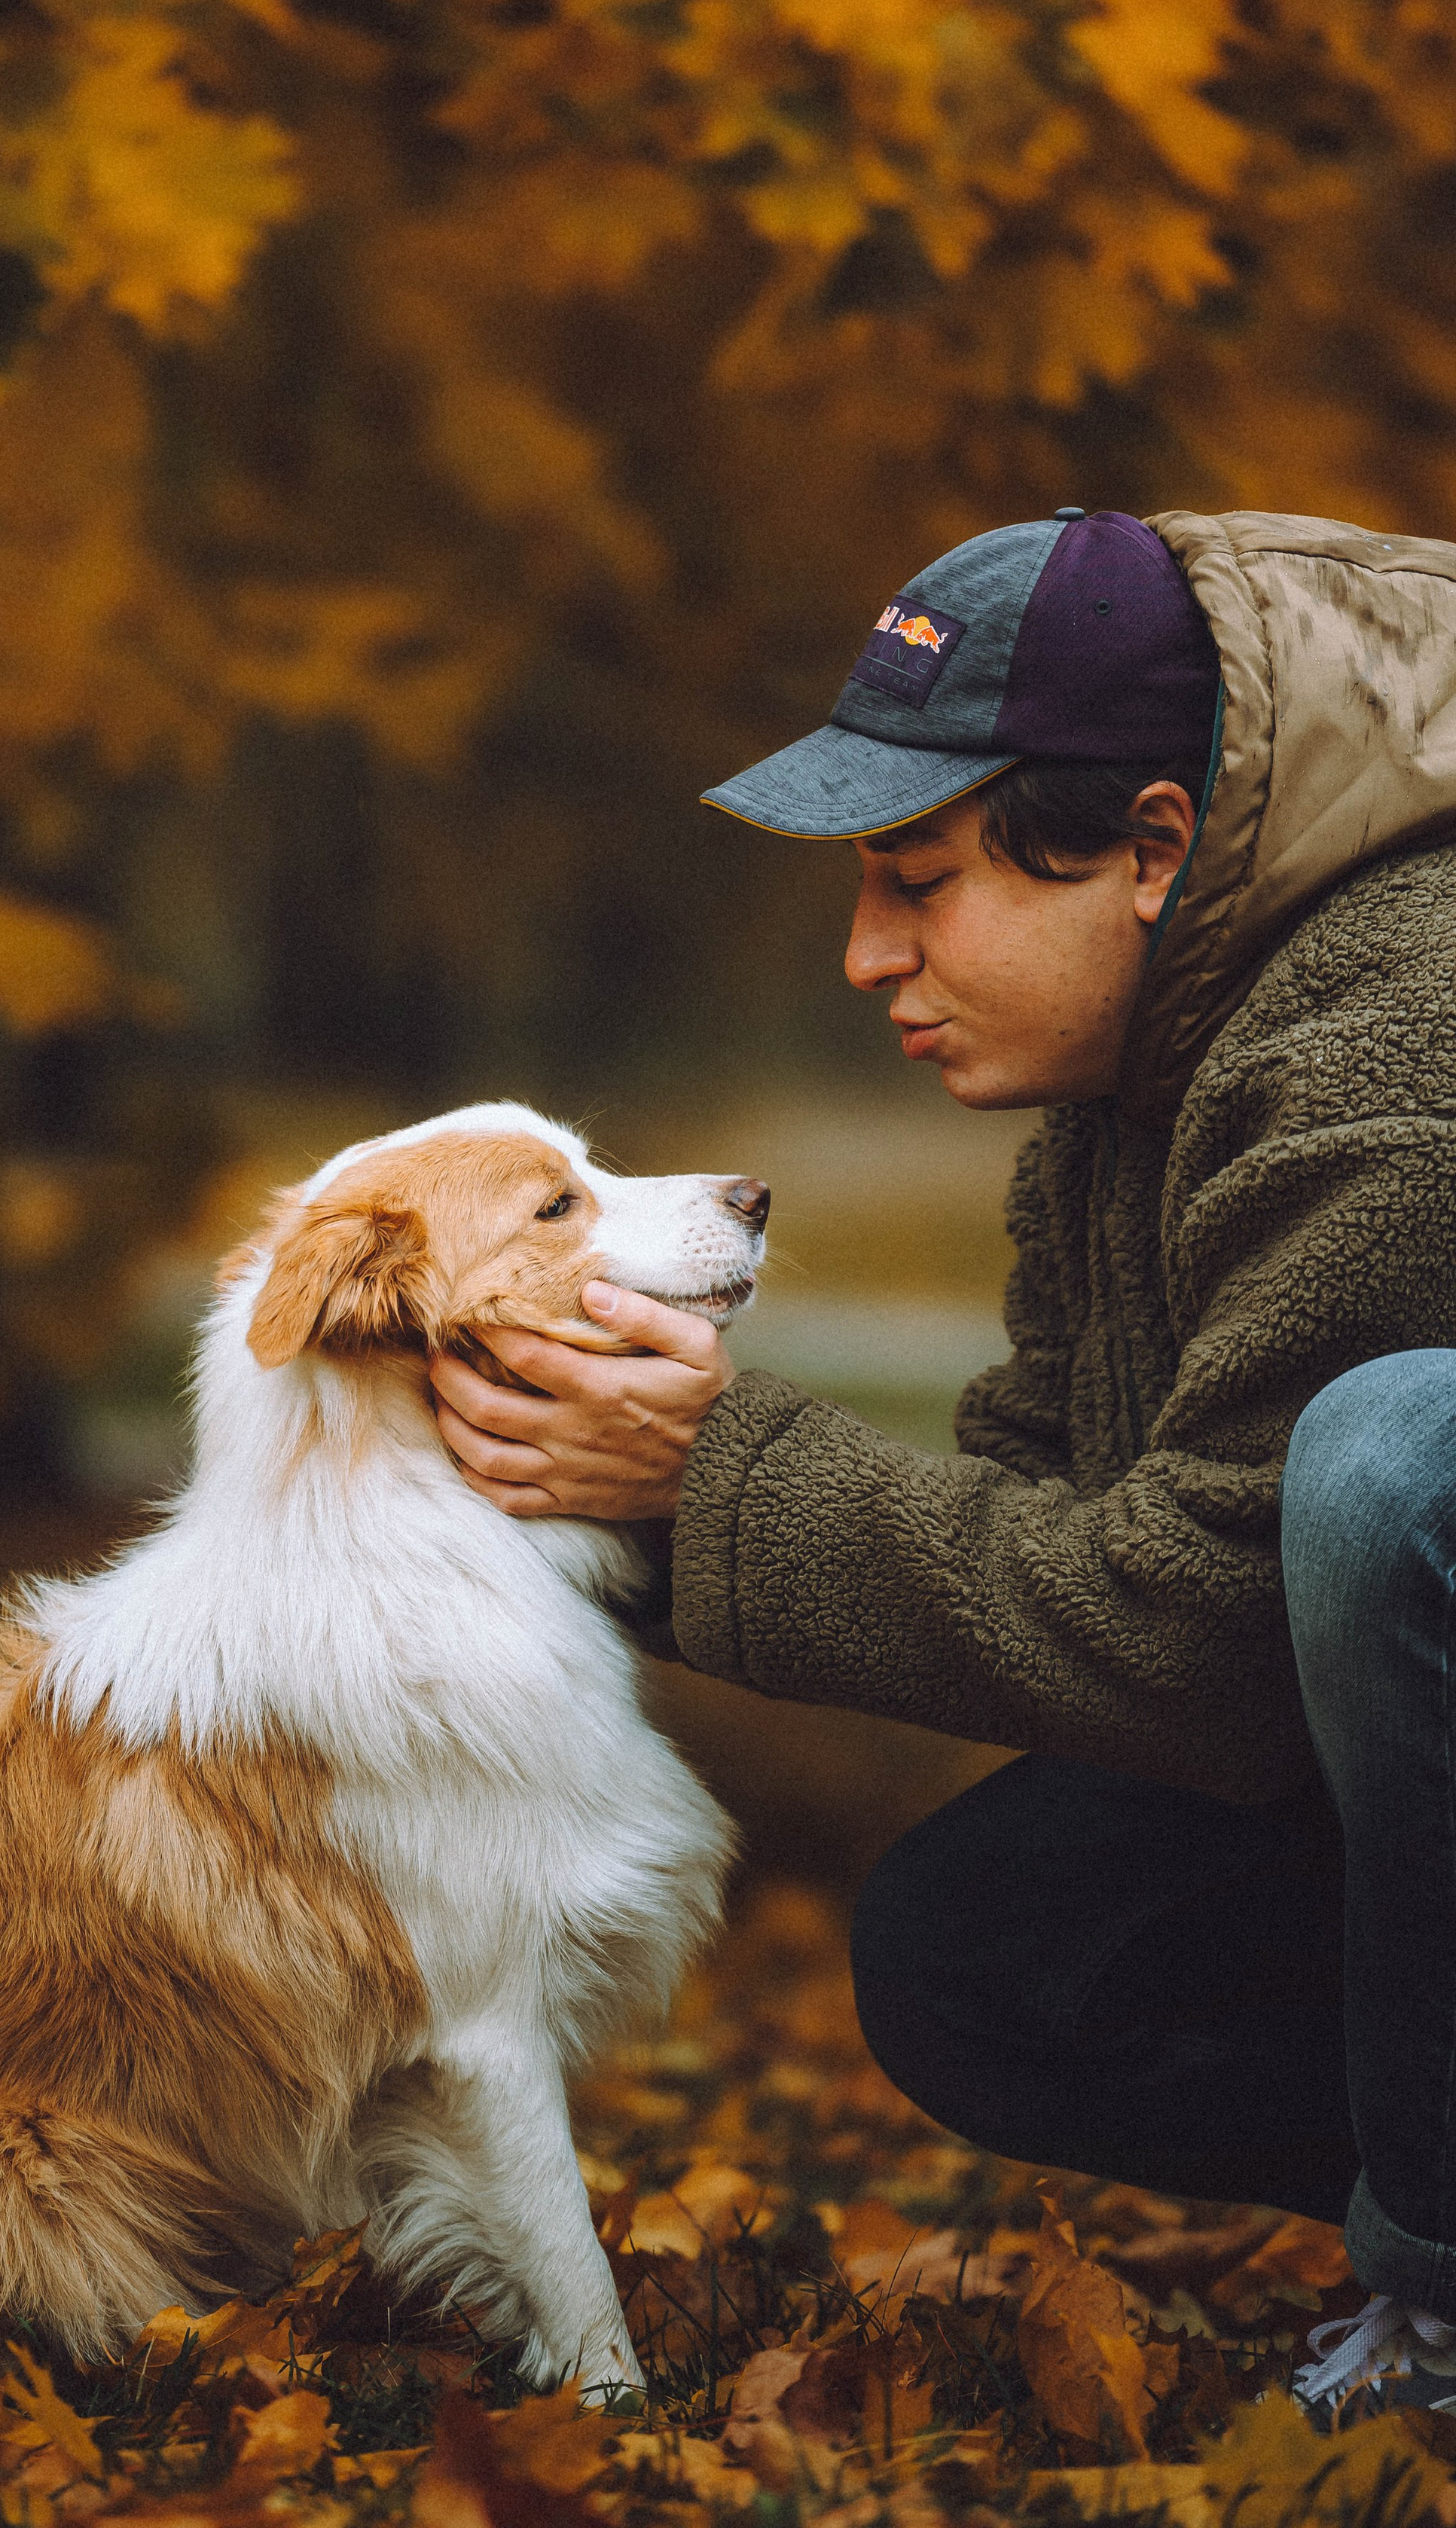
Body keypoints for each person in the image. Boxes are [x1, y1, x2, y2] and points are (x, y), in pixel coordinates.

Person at [429, 504, 1456, 2411]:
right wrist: (577, 1478)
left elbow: (1209, 1637)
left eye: (915, 881)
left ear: (1149, 844)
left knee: (1392, 1463)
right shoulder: (1132, 1070)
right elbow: (1047, 1522)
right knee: (989, 1951)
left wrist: (705, 1473)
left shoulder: (1400, 1028)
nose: (857, 954)